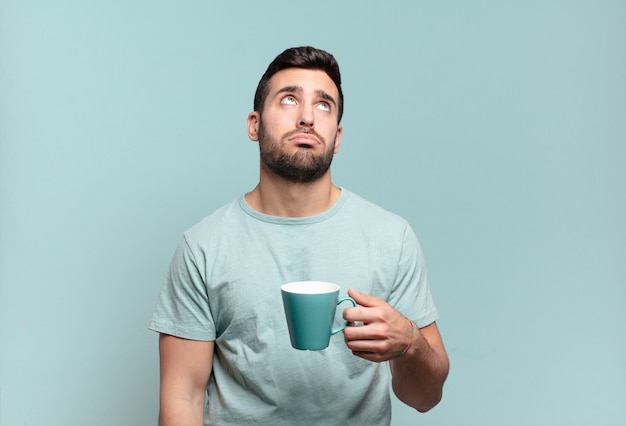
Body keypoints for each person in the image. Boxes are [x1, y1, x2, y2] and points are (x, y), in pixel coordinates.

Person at [150, 46, 449, 426]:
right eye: (289, 99)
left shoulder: (392, 237)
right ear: (254, 124)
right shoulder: (203, 247)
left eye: (324, 105)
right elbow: (182, 399)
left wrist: (408, 341)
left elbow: (425, 398)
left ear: (337, 136)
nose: (307, 117)